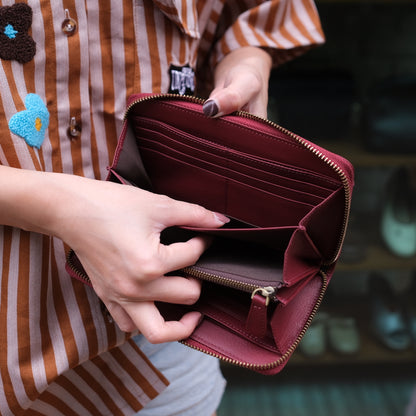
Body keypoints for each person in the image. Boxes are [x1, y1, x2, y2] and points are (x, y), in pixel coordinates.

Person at [0, 1, 324, 415]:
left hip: (169, 337)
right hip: (15, 338)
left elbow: (253, 17)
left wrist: (246, 61)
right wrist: (62, 209)